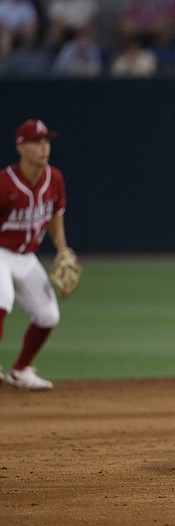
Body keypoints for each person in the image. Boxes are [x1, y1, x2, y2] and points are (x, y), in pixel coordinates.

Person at [0, 119, 77, 390]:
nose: (44, 147)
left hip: (27, 257)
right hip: (0, 252)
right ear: (21, 147)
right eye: (37, 142)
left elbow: (56, 216)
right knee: (3, 300)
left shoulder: (54, 178)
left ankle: (20, 371)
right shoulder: (5, 183)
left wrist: (62, 249)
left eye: (47, 142)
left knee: (48, 316)